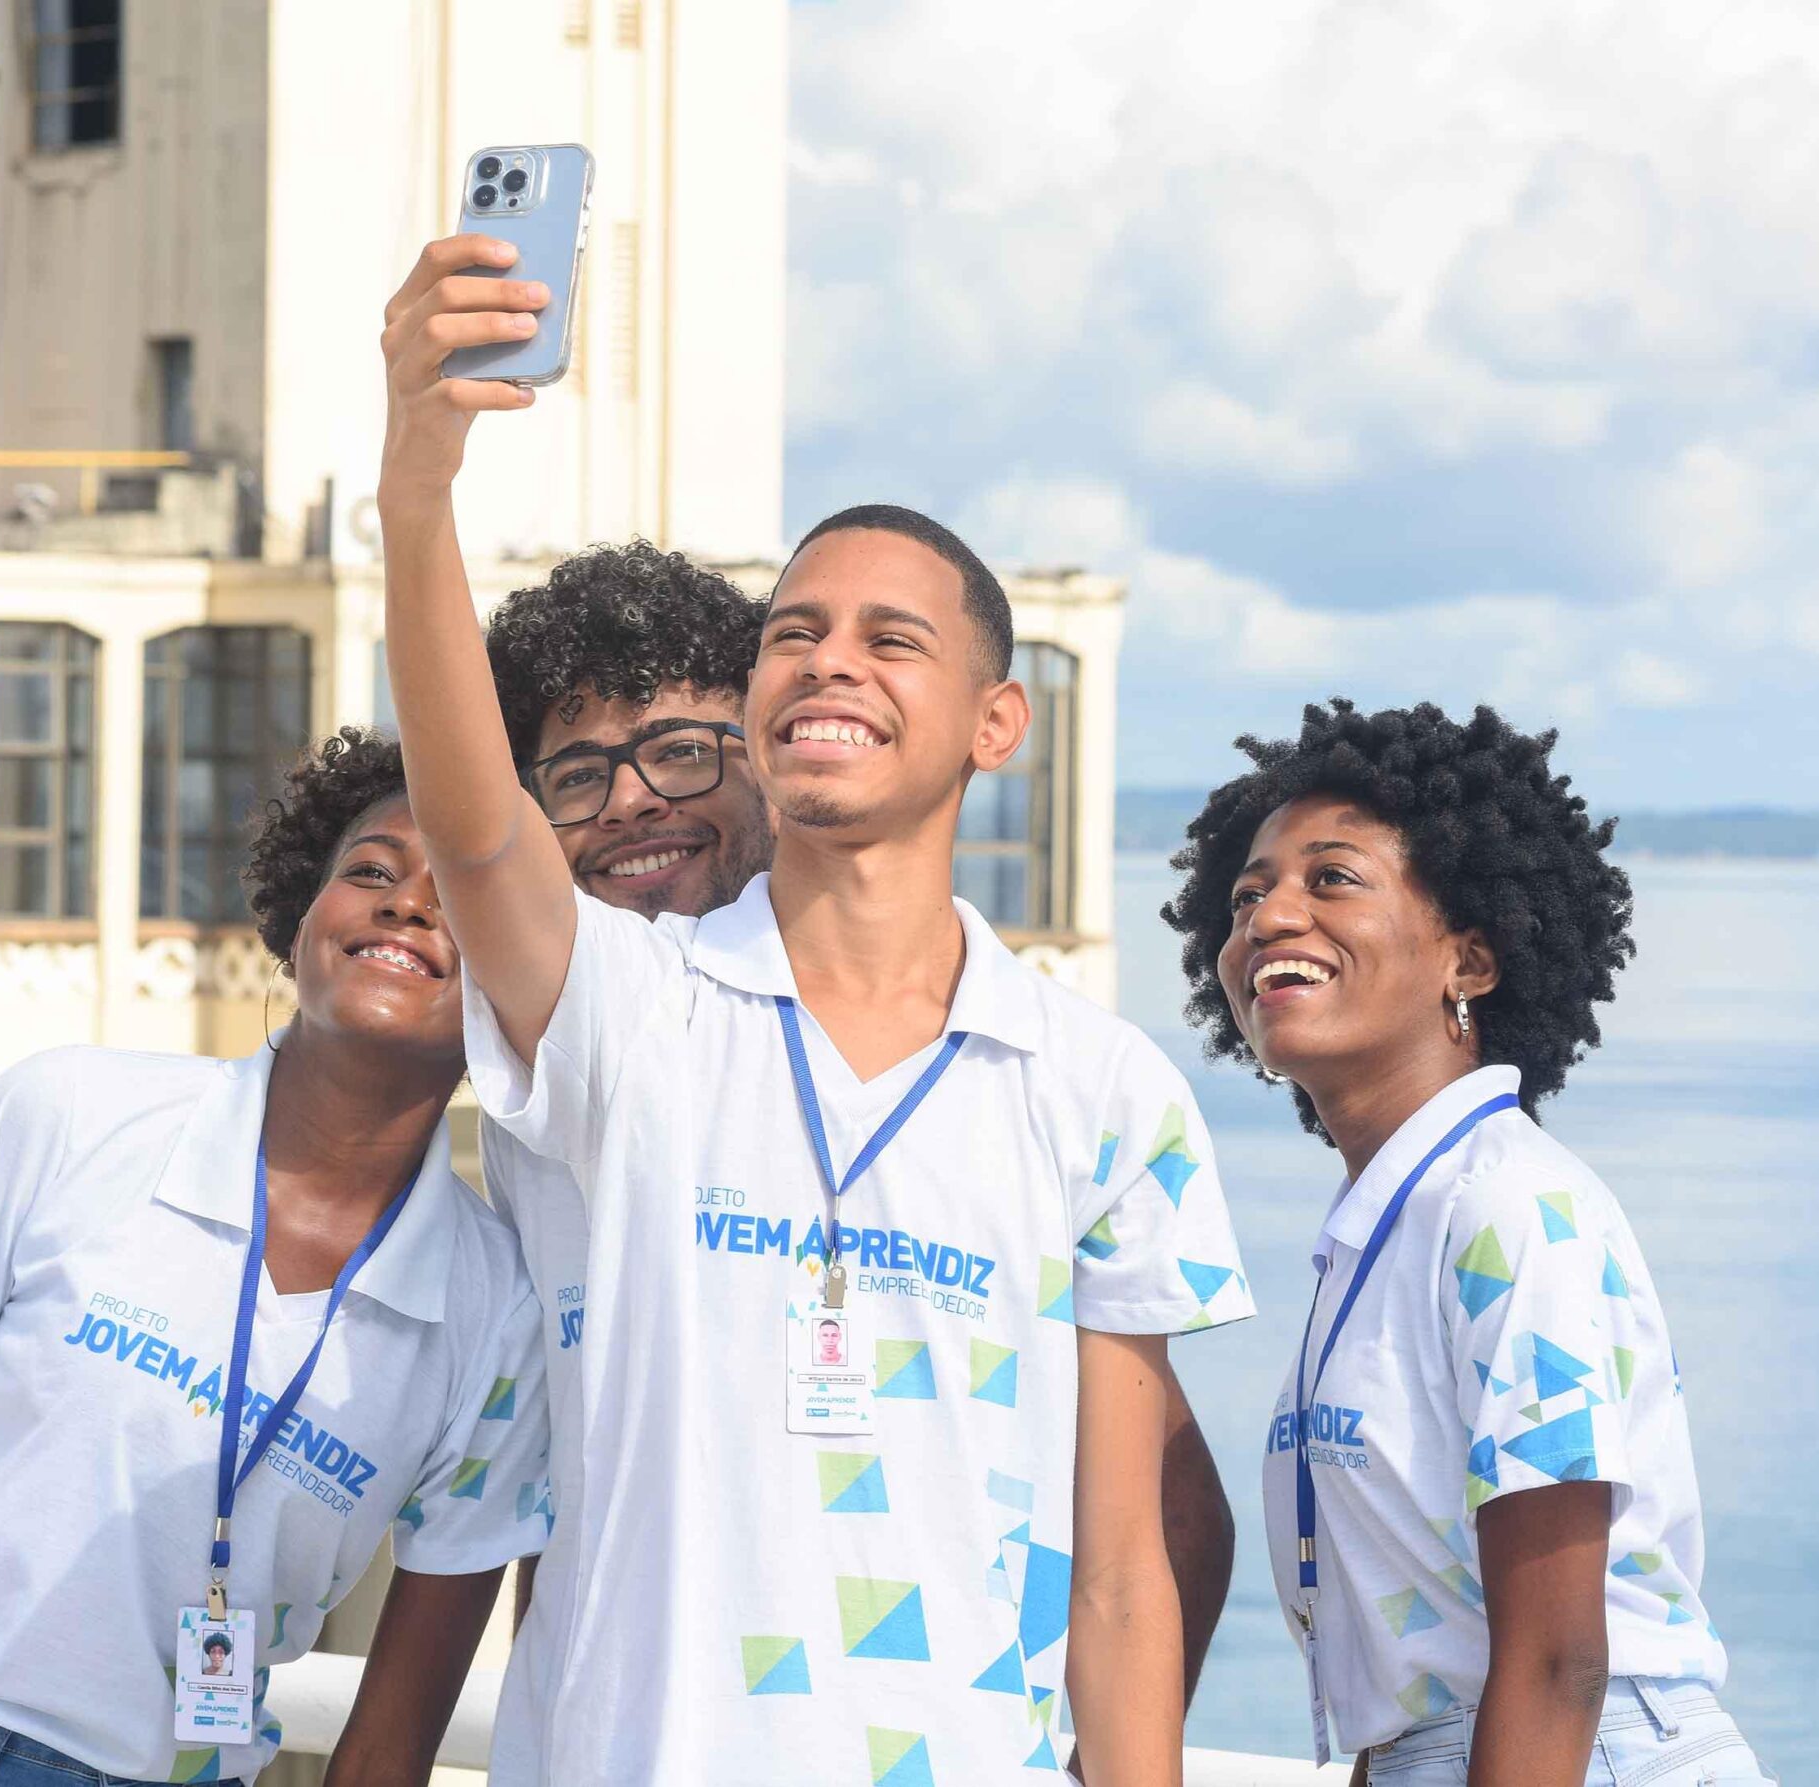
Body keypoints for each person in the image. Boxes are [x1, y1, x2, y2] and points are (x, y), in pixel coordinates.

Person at [374, 234, 1256, 1786]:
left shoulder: (1103, 1085)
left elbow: (1124, 1580)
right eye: (794, 632)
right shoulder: (635, 1009)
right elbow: (478, 831)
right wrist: (418, 485)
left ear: (997, 719)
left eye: (888, 638)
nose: (827, 660)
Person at [464, 540, 1242, 1745]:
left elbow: (1151, 1531)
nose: (630, 800)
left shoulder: (1078, 1080)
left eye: (680, 752)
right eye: (575, 774)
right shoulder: (575, 1035)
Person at [0, 729, 551, 1787]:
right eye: (371, 871)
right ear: (301, 918)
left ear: (522, 977)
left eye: (460, 895)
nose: (407, 906)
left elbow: (392, 1738)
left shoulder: (500, 1313)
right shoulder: (68, 1113)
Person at [1162, 700, 1769, 1786]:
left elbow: (1558, 1660)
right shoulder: (1391, 1222)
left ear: (1471, 962)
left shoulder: (1505, 1204)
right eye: (1247, 896)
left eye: (1331, 879)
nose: (1271, 916)